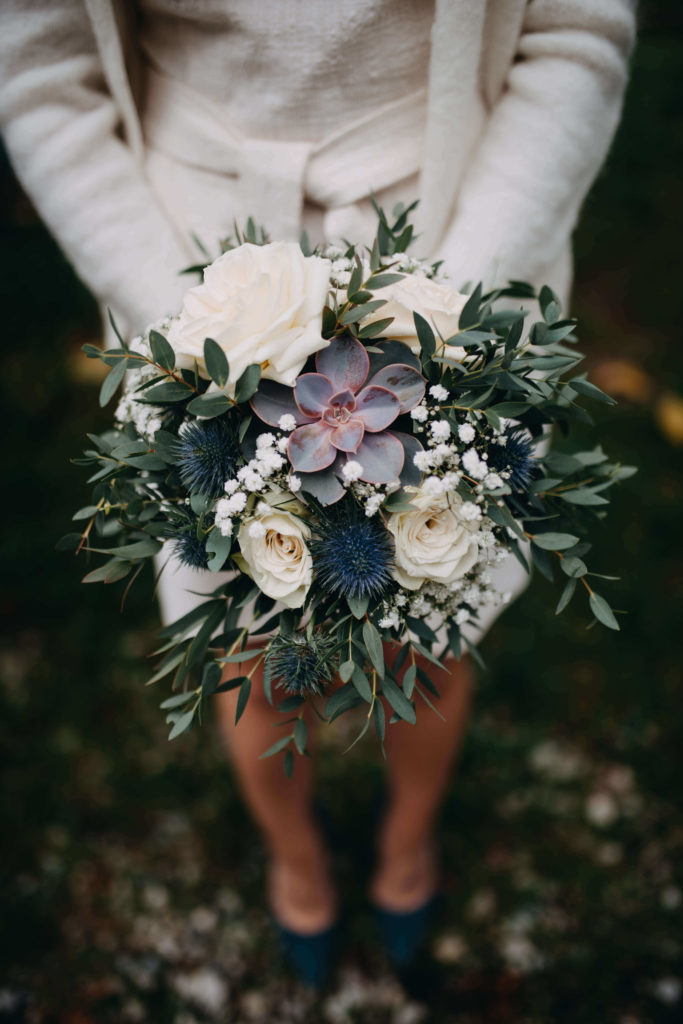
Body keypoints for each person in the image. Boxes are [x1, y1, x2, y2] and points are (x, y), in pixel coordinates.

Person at [0, 0, 637, 989]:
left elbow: (575, 34)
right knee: (249, 652)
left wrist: (443, 329)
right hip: (187, 270)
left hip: (458, 248)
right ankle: (296, 856)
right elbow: (40, 75)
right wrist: (200, 349)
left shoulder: (455, 297)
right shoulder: (191, 325)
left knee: (432, 631)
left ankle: (406, 842)